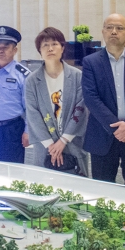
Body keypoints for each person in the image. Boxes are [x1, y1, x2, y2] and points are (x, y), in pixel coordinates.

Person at [81, 14, 125, 188]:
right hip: (103, 135)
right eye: (109, 27)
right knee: (103, 191)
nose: (114, 31)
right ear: (103, 32)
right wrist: (116, 127)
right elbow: (91, 97)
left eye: (119, 28)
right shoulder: (90, 62)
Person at [25, 27, 90, 176]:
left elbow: (81, 109)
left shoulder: (77, 76)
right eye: (45, 45)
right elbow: (33, 114)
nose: (50, 48)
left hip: (72, 142)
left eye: (54, 44)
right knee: (45, 184)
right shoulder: (32, 81)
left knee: (76, 184)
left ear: (62, 47)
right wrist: (51, 146)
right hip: (45, 147)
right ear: (40, 51)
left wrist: (63, 141)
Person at [0, 26, 31, 163]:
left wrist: (28, 131)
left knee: (12, 171)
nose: (0, 50)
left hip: (11, 131)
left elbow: (30, 107)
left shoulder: (23, 75)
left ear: (15, 50)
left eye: (6, 46)